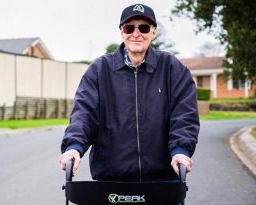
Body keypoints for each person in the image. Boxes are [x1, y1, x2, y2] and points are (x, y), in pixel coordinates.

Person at [58, 3, 199, 182]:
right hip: (112, 181)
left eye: (144, 28)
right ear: (121, 32)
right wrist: (73, 146)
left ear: (153, 33)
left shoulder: (172, 68)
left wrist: (181, 151)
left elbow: (184, 115)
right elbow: (84, 114)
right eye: (129, 27)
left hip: (164, 180)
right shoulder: (99, 70)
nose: (136, 33)